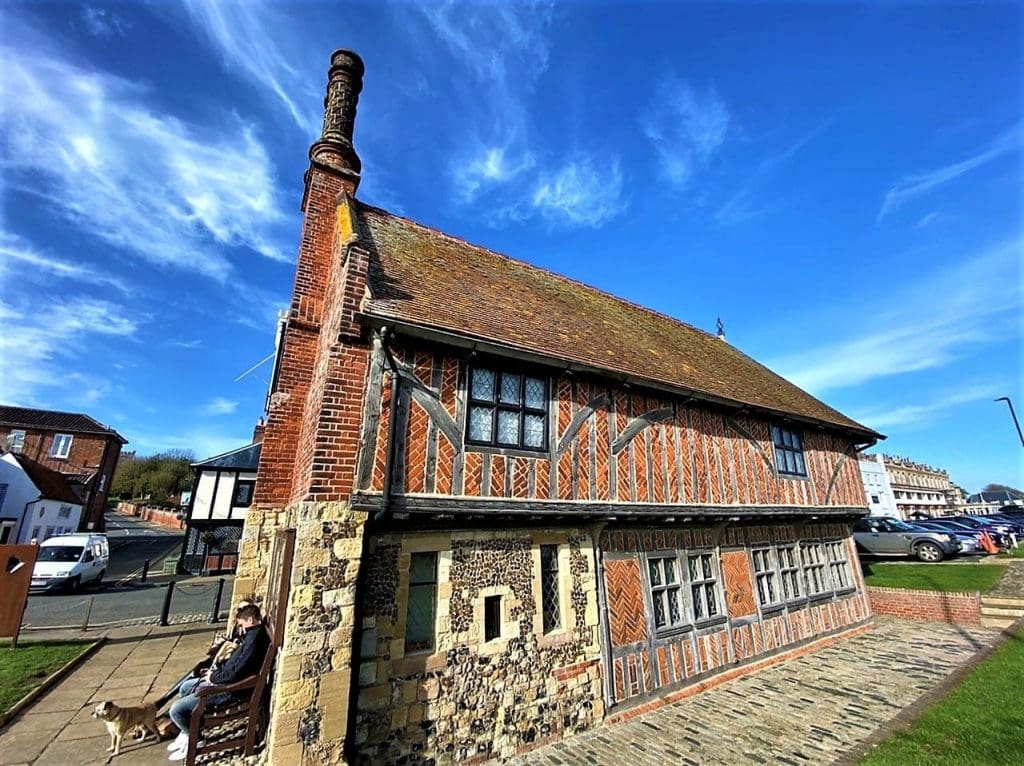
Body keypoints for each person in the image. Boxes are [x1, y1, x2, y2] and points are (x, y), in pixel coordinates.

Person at [166, 603, 269, 761]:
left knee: (176, 710)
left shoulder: (253, 641)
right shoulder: (251, 636)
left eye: (241, 624)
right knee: (185, 687)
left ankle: (195, 738)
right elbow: (234, 665)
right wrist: (214, 673)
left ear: (250, 620)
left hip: (231, 691)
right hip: (225, 682)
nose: (240, 628)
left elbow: (236, 672)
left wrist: (214, 678)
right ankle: (187, 732)